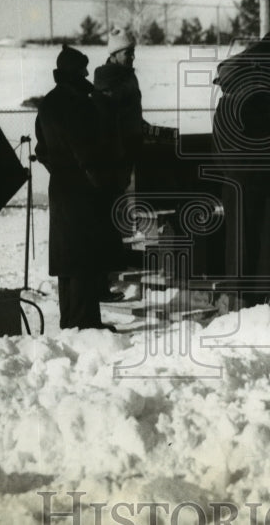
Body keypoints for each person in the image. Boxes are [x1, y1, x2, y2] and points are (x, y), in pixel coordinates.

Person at [35, 44, 126, 330]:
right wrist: (102, 183)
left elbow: (42, 149)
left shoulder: (48, 102)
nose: (88, 72)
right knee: (85, 256)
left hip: (61, 187)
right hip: (83, 188)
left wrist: (59, 170)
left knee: (67, 259)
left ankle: (70, 320)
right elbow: (85, 150)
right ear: (74, 71)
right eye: (83, 68)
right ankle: (86, 322)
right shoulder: (77, 103)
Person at [212, 31, 270, 302]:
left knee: (244, 244)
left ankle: (245, 297)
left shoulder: (230, 99)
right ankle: (254, 298)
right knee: (259, 244)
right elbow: (269, 118)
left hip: (241, 184)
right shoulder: (247, 99)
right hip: (257, 184)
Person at [93, 27, 174, 188]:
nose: (132, 57)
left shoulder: (128, 75)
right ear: (114, 55)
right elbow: (110, 119)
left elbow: (130, 112)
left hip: (130, 146)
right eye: (127, 53)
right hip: (116, 152)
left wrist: (145, 127)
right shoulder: (107, 80)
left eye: (133, 52)